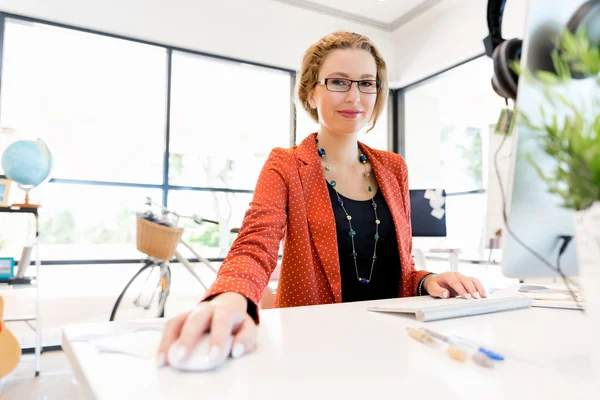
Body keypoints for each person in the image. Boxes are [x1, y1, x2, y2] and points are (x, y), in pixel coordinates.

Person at [156, 31, 486, 367]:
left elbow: (398, 272)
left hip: (396, 348)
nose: (355, 96)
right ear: (311, 93)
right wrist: (230, 296)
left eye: (366, 83)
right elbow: (254, 245)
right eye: (339, 82)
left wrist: (427, 281)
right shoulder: (286, 164)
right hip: (315, 351)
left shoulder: (393, 168)